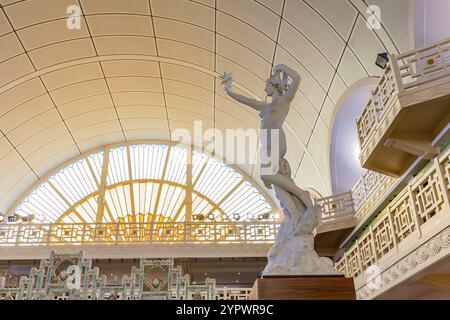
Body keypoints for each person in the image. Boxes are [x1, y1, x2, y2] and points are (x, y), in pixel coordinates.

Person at [220, 65, 314, 213]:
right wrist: (229, 91)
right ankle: (295, 217)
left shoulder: (284, 100)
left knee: (266, 174)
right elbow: (246, 100)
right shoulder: (265, 106)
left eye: (266, 86)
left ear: (274, 85)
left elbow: (297, 78)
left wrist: (282, 67)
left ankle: (302, 194)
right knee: (277, 186)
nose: (265, 90)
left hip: (277, 138)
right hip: (266, 143)